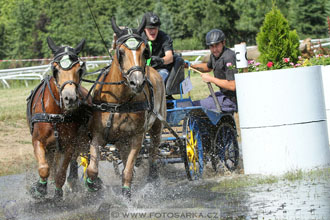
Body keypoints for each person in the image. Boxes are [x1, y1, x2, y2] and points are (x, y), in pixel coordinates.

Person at [190, 29, 238, 112]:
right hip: (224, 95)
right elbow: (208, 67)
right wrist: (190, 66)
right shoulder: (215, 55)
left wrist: (211, 79)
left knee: (194, 106)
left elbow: (232, 85)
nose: (214, 49)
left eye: (217, 45)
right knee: (207, 99)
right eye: (212, 46)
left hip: (231, 100)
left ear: (223, 43)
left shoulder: (228, 58)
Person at [142, 12, 174, 82]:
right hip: (142, 70)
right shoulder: (139, 38)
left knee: (158, 79)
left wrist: (160, 60)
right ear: (144, 28)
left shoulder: (165, 38)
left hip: (160, 69)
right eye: (150, 28)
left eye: (155, 28)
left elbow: (170, 57)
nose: (153, 31)